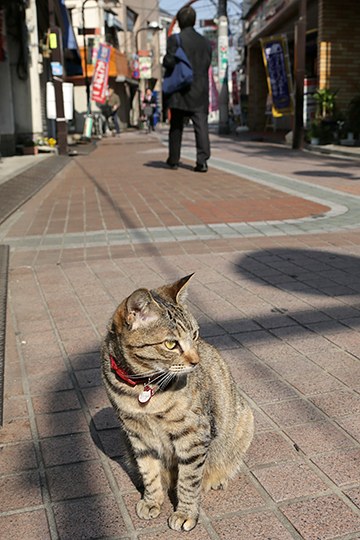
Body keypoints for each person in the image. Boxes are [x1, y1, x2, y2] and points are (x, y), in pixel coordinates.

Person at [163, 6, 212, 172]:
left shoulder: (175, 39)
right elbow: (207, 64)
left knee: (176, 126)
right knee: (201, 126)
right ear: (194, 21)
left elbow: (169, 62)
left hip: (180, 89)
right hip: (200, 89)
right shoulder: (205, 42)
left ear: (179, 21)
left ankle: (174, 159)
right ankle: (202, 161)